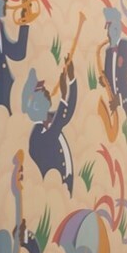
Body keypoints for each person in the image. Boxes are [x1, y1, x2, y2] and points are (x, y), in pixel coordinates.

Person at [23, 58, 78, 193]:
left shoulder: (52, 119)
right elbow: (54, 131)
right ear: (35, 106)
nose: (47, 92)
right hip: (55, 190)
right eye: (42, 92)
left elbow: (67, 112)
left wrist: (71, 80)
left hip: (66, 185)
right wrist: (63, 95)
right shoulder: (36, 138)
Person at [96, 3, 127, 140]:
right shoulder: (108, 52)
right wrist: (104, 82)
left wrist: (119, 100)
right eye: (108, 29)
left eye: (112, 28)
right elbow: (110, 77)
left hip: (123, 107)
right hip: (112, 106)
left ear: (117, 28)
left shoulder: (126, 46)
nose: (109, 33)